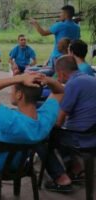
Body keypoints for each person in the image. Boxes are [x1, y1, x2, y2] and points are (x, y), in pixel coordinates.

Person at [38, 56, 96, 193]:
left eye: (58, 74)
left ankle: (61, 179)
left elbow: (58, 121)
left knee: (41, 139)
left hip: (81, 137)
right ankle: (76, 169)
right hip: (92, 132)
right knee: (61, 130)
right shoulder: (90, 79)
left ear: (62, 73)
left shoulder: (72, 84)